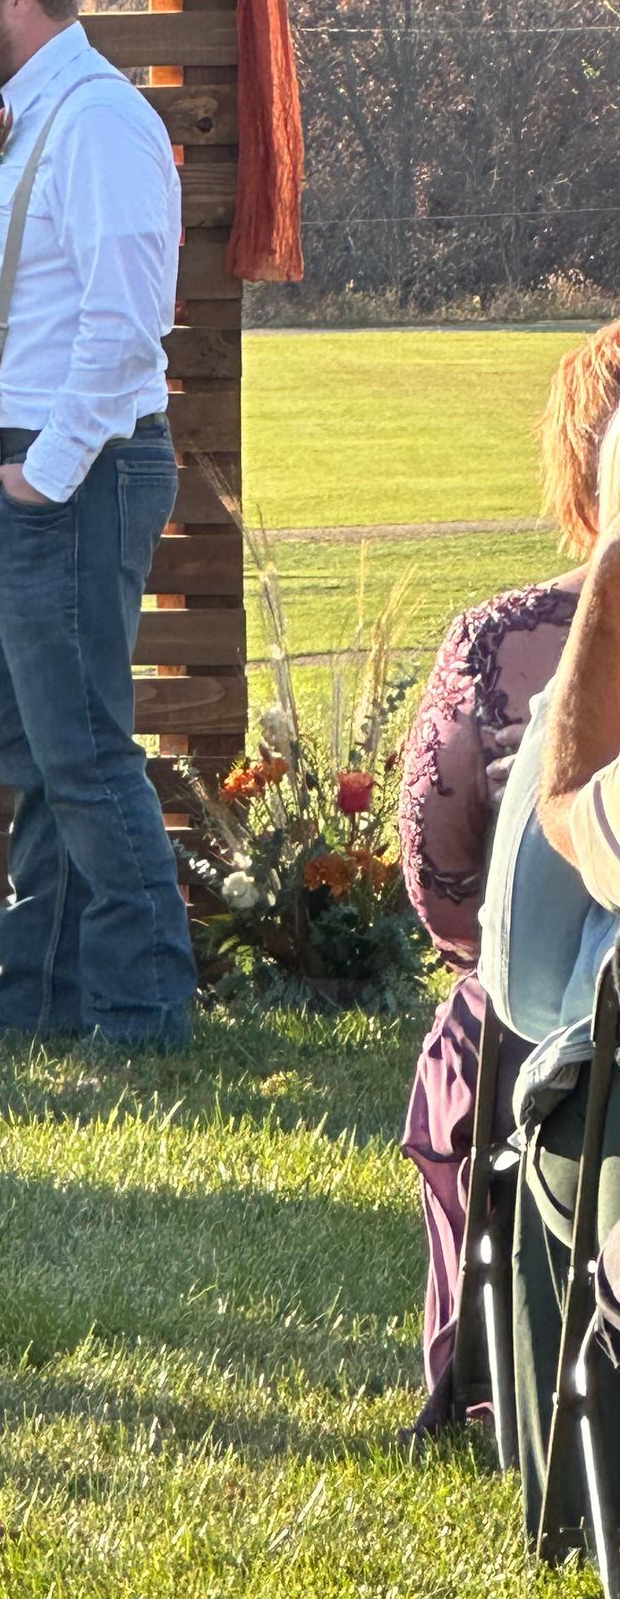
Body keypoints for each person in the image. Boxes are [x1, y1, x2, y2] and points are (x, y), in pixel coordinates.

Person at [0, 0, 195, 1048]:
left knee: (80, 750)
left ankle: (141, 1018)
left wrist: (52, 468)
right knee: (33, 753)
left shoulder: (99, 119)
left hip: (63, 471)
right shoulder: (24, 115)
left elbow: (129, 316)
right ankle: (35, 1007)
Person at [398, 323, 620, 1430]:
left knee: (473, 1032)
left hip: (557, 1024)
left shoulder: (507, 638)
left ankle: (488, 1372)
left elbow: (442, 877)